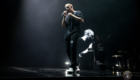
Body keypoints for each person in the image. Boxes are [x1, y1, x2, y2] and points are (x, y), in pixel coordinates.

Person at [61, 3, 84, 74]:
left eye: (68, 7)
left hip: (75, 32)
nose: (66, 9)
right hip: (67, 34)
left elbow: (82, 20)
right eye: (66, 8)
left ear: (71, 7)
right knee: (67, 49)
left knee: (73, 46)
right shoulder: (67, 16)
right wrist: (64, 17)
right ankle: (76, 65)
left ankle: (71, 66)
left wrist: (72, 15)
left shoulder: (78, 12)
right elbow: (63, 25)